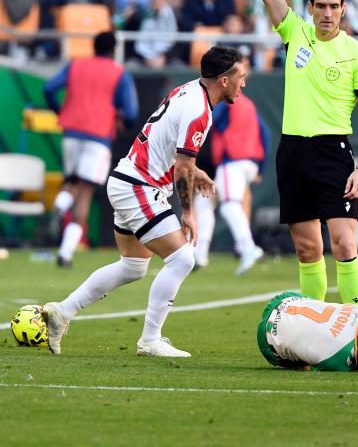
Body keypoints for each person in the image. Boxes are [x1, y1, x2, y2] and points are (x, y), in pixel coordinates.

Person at [43, 46, 246, 358]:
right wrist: (189, 212)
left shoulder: (188, 90)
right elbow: (180, 167)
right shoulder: (200, 111)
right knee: (182, 260)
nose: (243, 83)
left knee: (133, 266)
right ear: (222, 80)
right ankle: (150, 340)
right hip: (139, 185)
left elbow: (172, 148)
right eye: (240, 77)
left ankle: (62, 311)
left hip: (127, 180)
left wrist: (197, 170)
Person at [234, 0, 358, 307]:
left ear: (343, 9)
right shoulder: (296, 32)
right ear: (310, 7)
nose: (328, 14)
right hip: (293, 150)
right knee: (307, 250)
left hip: (334, 151)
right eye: (322, 6)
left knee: (343, 242)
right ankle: (317, 332)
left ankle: (354, 328)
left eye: (335, 7)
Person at [44, 31, 139, 267]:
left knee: (72, 182)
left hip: (70, 132)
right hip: (98, 135)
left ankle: (60, 204)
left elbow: (49, 88)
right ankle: (65, 251)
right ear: (113, 49)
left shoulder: (76, 65)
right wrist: (121, 122)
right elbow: (131, 113)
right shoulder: (119, 73)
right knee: (85, 192)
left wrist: (60, 110)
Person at [194, 57, 271, 274]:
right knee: (204, 199)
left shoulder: (228, 103)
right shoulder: (249, 104)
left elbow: (208, 120)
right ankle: (200, 253)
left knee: (229, 205)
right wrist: (260, 168)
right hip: (249, 164)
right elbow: (265, 135)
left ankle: (248, 247)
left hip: (233, 162)